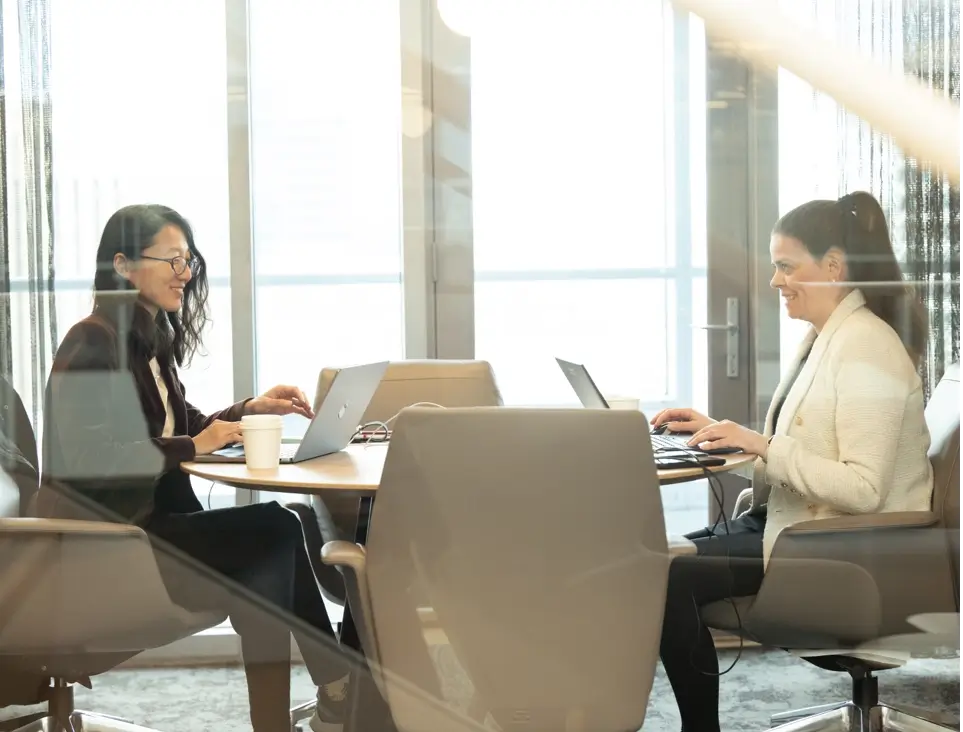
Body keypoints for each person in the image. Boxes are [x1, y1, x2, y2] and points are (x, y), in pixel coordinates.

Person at [42, 204, 352, 732]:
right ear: (123, 265)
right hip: (114, 542)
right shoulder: (92, 341)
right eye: (173, 260)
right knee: (274, 528)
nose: (186, 273)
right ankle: (341, 690)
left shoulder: (149, 340)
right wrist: (192, 444)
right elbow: (90, 461)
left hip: (153, 528)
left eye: (189, 260)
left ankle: (330, 696)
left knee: (281, 533)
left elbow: (183, 425)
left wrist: (248, 411)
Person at [649, 191, 933, 732]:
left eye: (785, 266)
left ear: (832, 266)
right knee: (661, 563)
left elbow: (864, 489)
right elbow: (801, 453)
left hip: (844, 546)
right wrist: (717, 435)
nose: (775, 281)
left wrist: (759, 444)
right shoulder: (826, 338)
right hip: (796, 525)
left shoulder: (866, 347)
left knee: (670, 576)